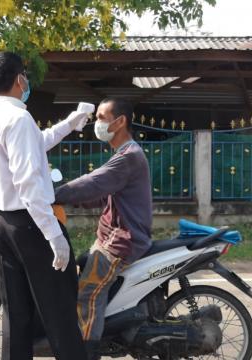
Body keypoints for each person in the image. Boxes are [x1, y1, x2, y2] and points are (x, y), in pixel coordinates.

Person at [0, 51, 88, 360]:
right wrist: (54, 235)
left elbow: (37, 142)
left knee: (17, 314)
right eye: (25, 75)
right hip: (30, 226)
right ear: (19, 79)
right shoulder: (18, 119)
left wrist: (68, 124)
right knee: (60, 312)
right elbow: (28, 184)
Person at [54, 97, 153, 360]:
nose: (96, 123)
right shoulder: (123, 154)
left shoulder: (128, 157)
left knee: (88, 292)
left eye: (101, 117)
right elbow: (99, 195)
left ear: (120, 122)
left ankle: (86, 352)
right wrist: (67, 198)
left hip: (122, 240)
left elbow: (94, 183)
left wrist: (53, 194)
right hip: (110, 237)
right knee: (79, 268)